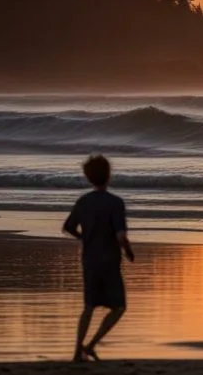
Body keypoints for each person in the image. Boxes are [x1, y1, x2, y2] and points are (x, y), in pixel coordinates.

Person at [62, 154, 135, 362]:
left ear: (88, 177)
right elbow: (120, 235)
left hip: (89, 260)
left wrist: (84, 237)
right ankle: (91, 345)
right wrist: (128, 251)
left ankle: (77, 351)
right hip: (110, 261)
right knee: (119, 307)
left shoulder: (84, 201)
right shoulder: (115, 203)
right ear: (109, 175)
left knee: (89, 307)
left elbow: (68, 227)